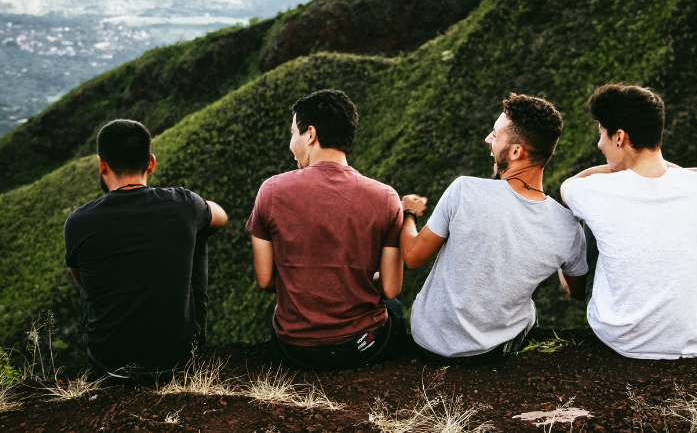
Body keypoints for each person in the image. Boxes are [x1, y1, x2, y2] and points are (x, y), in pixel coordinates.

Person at [400, 93, 588, 364]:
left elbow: (413, 257)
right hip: (491, 352)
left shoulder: (464, 190)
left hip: (429, 342)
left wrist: (408, 213)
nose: (488, 139)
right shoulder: (568, 227)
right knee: (529, 310)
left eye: (495, 135)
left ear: (515, 152)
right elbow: (576, 291)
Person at [560, 83, 697, 360]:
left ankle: (577, 291)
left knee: (588, 217)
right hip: (691, 338)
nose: (599, 144)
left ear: (619, 137)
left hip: (619, 336)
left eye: (601, 135)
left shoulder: (595, 190)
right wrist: (670, 171)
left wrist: (614, 169)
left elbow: (569, 186)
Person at [246, 89, 407, 370]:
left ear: (310, 134)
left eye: (293, 133)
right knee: (394, 309)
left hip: (295, 349)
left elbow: (265, 280)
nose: (290, 144)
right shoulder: (386, 197)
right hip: (362, 347)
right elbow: (391, 288)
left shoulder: (271, 191)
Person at [64, 119, 228, 378]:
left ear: (101, 164)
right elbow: (221, 216)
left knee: (90, 274)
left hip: (108, 361)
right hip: (178, 357)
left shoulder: (78, 221)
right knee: (200, 229)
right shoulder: (183, 204)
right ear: (151, 163)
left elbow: (85, 284)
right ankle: (188, 336)